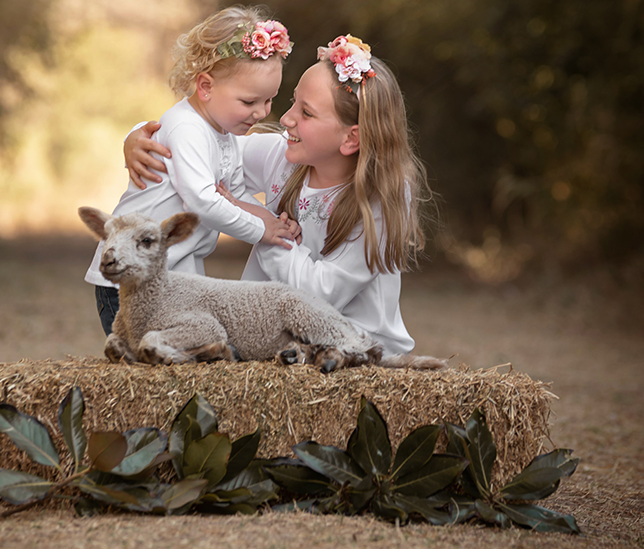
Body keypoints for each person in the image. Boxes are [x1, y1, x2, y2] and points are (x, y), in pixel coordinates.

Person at [124, 35, 433, 357]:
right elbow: (196, 144)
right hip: (270, 340)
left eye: (307, 113)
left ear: (350, 138)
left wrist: (268, 233)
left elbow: (320, 295)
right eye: (292, 103)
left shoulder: (380, 198)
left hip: (355, 341)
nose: (286, 119)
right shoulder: (283, 156)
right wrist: (137, 136)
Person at [85, 5, 300, 337]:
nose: (261, 112)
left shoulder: (224, 132)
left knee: (185, 356)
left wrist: (270, 219)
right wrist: (260, 231)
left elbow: (235, 193)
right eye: (249, 102)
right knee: (153, 362)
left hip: (174, 278)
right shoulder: (188, 128)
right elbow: (203, 201)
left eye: (269, 100)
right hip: (131, 276)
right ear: (206, 87)